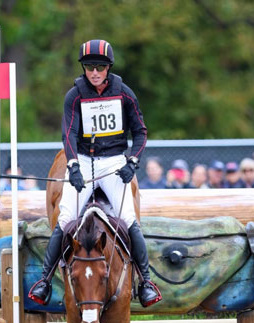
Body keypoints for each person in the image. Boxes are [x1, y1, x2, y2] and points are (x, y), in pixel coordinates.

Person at [28, 39, 161, 308]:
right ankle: (44, 281)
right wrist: (74, 166)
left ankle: (145, 282)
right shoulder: (74, 95)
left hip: (113, 162)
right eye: (90, 67)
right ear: (84, 68)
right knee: (65, 218)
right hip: (86, 161)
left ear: (108, 67)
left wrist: (132, 161)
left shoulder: (124, 93)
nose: (95, 72)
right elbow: (69, 134)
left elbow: (141, 132)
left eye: (100, 66)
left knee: (128, 218)